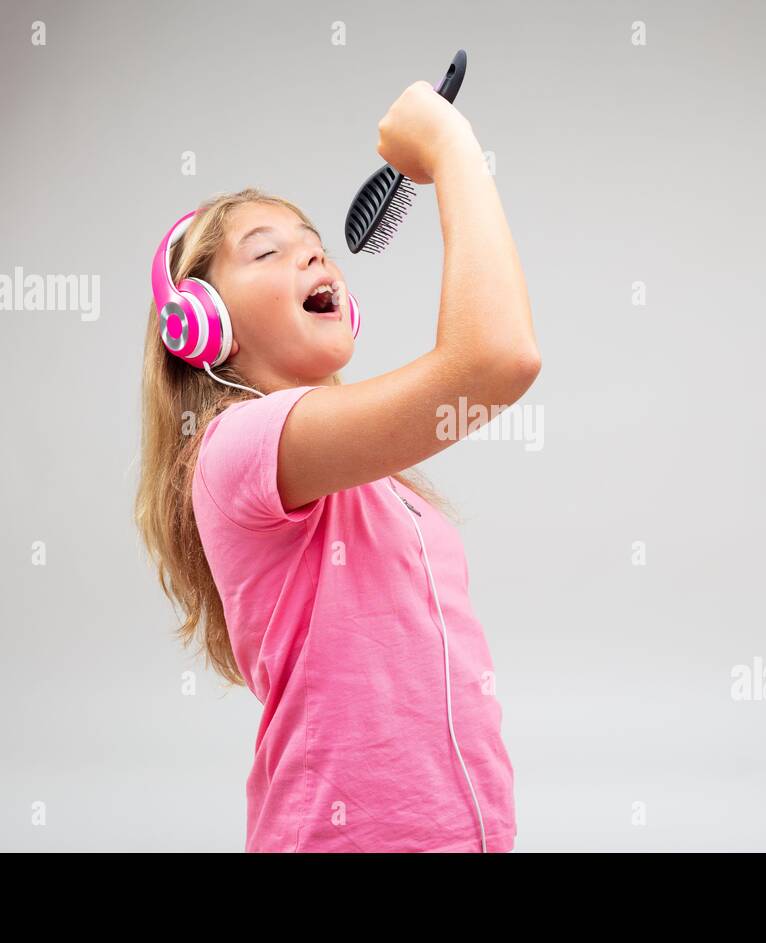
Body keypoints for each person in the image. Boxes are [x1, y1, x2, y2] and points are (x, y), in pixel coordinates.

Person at [134, 80, 540, 852]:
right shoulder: (236, 450)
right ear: (202, 325)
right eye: (267, 250)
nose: (311, 249)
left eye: (310, 237)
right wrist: (452, 149)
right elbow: (497, 358)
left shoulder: (376, 485)